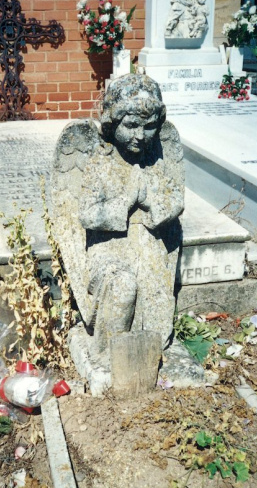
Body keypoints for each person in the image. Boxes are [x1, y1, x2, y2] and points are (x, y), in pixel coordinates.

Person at [77, 75, 184, 359]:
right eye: (131, 125)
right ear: (113, 125)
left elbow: (175, 201)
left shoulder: (157, 161)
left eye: (149, 127)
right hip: (109, 250)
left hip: (150, 245)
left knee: (157, 313)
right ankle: (106, 356)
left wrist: (150, 201)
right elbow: (87, 214)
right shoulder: (101, 164)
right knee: (123, 286)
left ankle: (143, 354)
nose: (140, 135)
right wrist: (126, 201)